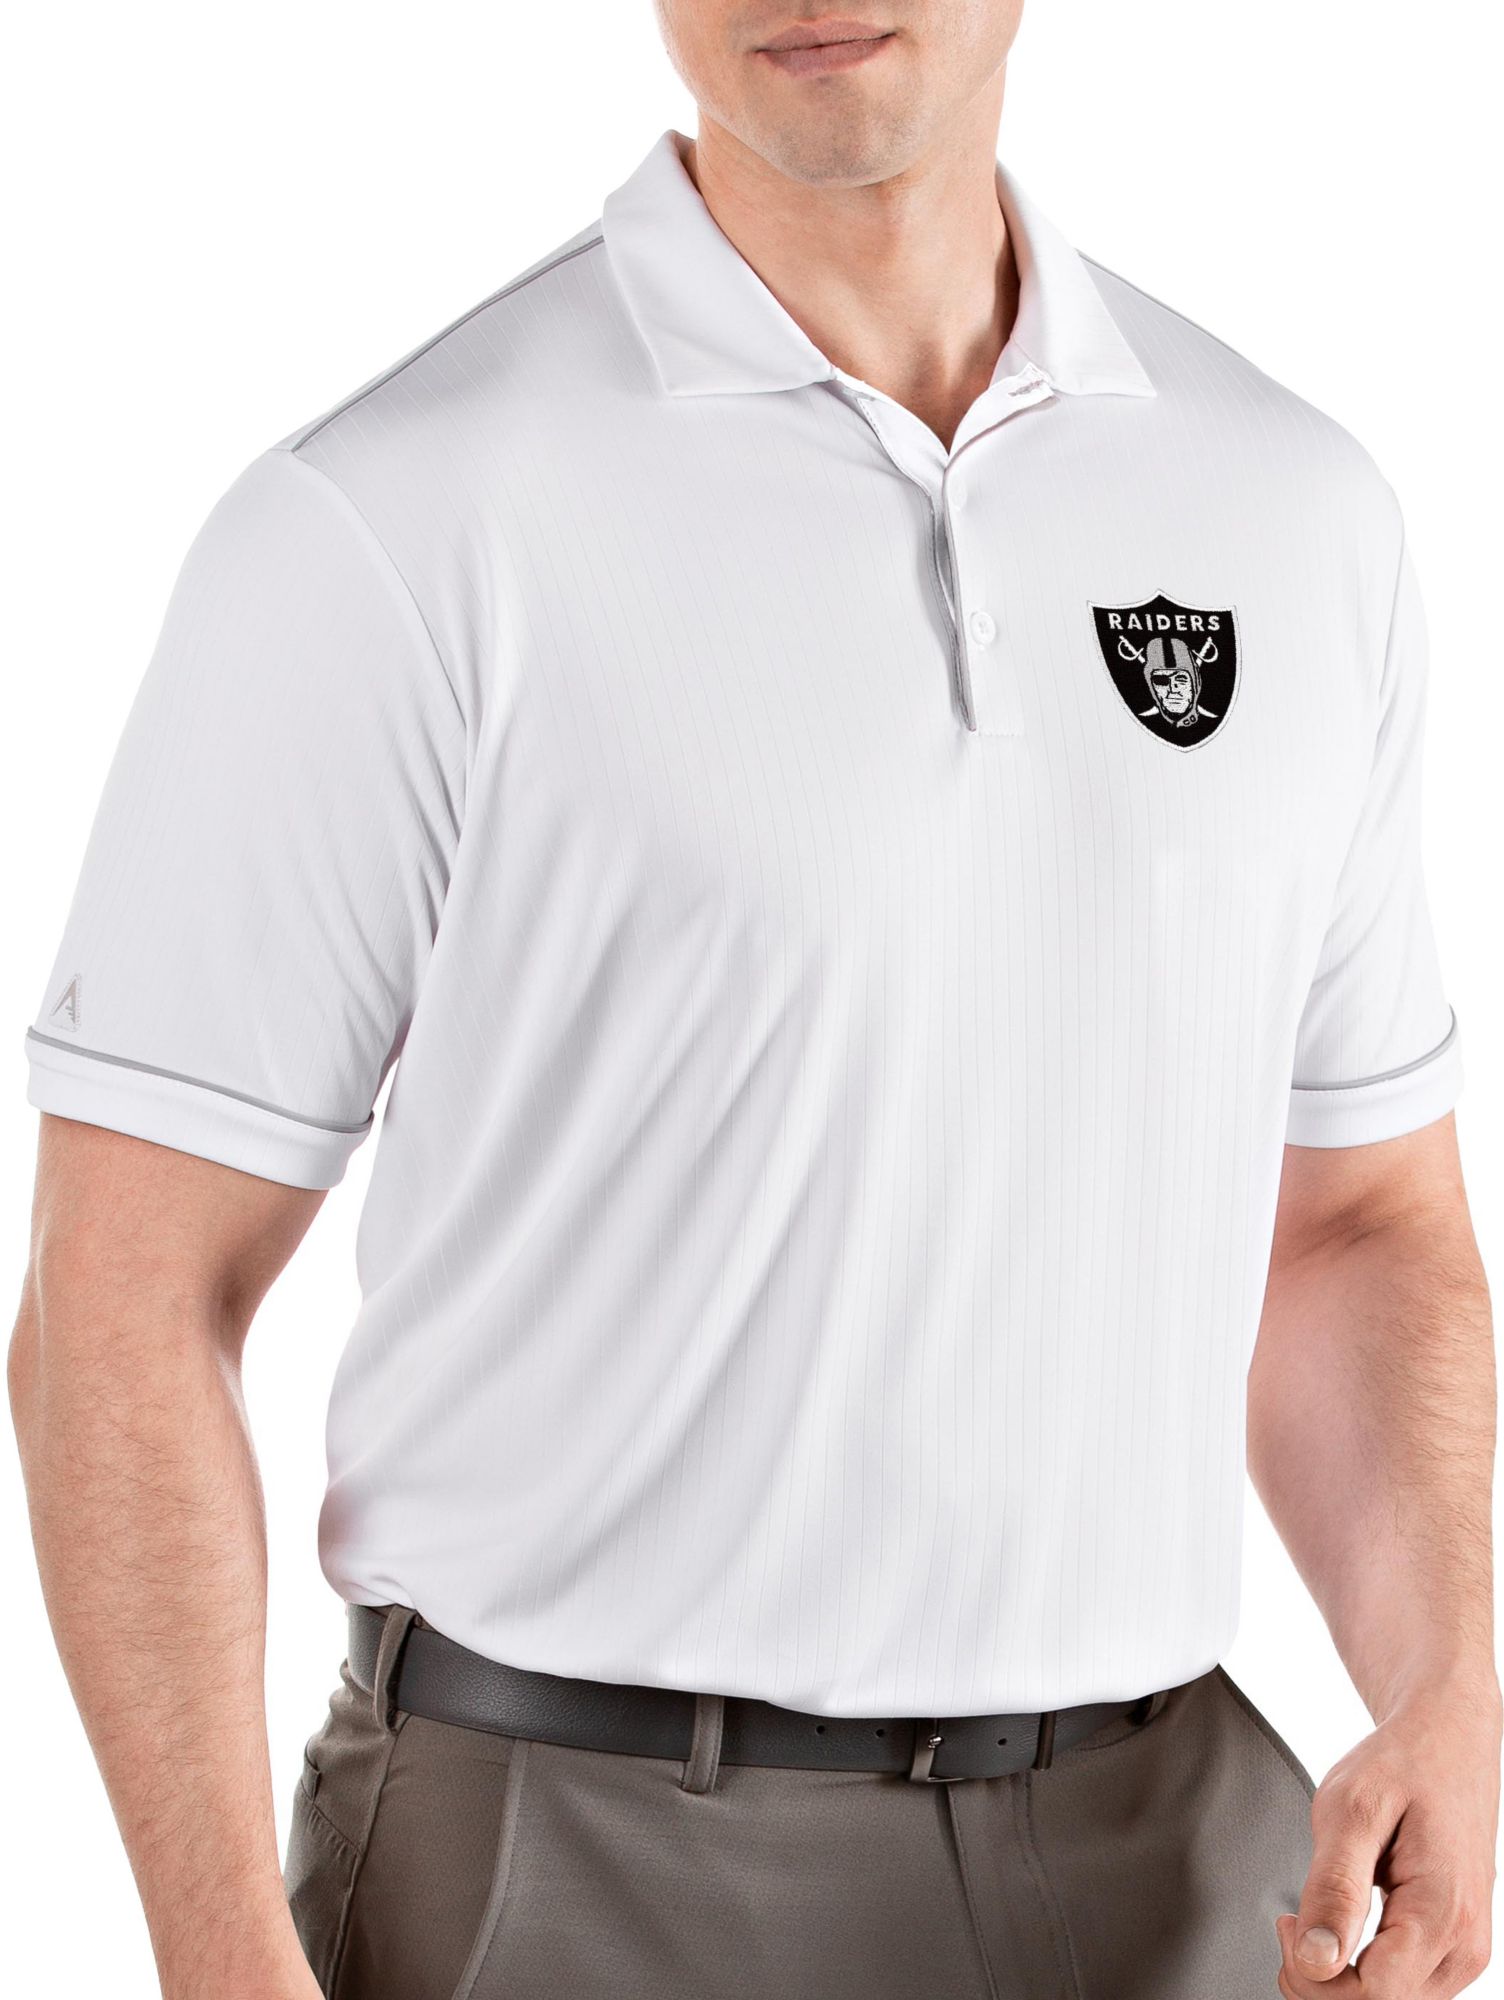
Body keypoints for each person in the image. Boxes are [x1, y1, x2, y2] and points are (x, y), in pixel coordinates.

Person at [9, 4, 1498, 1997]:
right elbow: (125, 1292)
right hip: (573, 1863)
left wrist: (1447, 1682)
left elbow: (1356, 1223)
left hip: (1181, 1865)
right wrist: (220, 1965)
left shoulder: (1291, 508)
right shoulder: (394, 519)